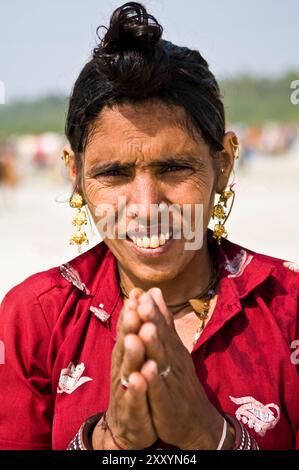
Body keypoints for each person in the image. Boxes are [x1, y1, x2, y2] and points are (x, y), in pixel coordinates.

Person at [0, 2, 298, 451]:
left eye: (175, 168)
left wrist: (210, 435)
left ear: (223, 163)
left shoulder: (288, 310)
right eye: (114, 174)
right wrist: (109, 442)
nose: (146, 205)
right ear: (75, 174)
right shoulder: (33, 321)